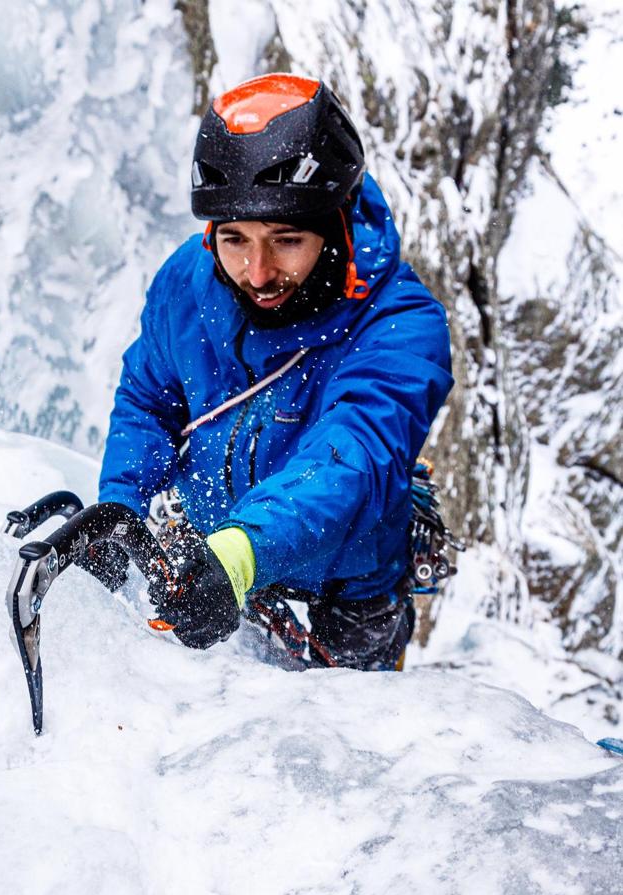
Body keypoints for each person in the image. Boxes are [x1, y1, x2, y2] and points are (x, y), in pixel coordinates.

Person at [97, 73, 453, 669]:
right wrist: (121, 508)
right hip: (215, 554)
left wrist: (241, 554)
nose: (256, 272)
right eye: (234, 239)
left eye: (286, 240)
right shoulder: (187, 282)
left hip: (344, 588)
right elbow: (149, 403)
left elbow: (355, 456)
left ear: (335, 221)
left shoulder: (402, 324)